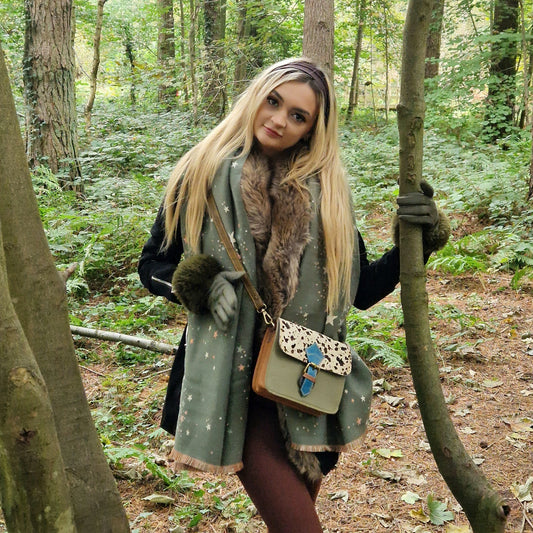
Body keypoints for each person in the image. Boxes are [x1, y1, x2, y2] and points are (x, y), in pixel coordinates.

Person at [138, 58, 450, 532]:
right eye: (274, 101)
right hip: (233, 383)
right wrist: (201, 282)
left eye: (298, 115)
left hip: (307, 381)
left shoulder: (328, 195)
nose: (279, 120)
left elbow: (362, 290)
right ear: (256, 96)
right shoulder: (198, 172)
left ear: (312, 130)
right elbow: (152, 265)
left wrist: (418, 240)